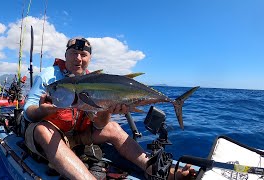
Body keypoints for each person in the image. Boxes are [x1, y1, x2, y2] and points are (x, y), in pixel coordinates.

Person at [24, 37, 195, 180]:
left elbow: (99, 125)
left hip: (78, 136)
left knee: (112, 127)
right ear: (66, 55)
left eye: (83, 54)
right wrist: (42, 111)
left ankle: (158, 171)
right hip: (53, 135)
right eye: (73, 53)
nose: (78, 58)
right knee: (43, 130)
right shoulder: (50, 76)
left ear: (89, 58)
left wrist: (107, 109)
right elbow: (28, 112)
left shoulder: (95, 79)